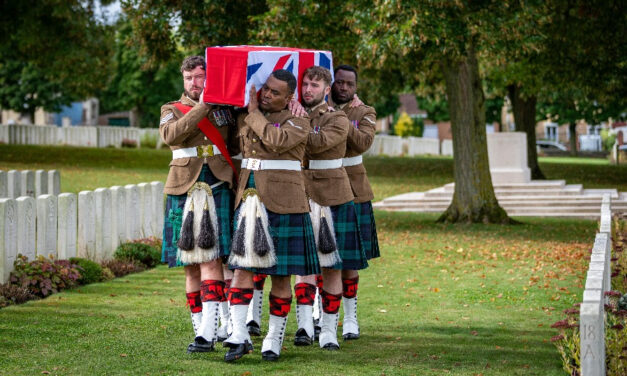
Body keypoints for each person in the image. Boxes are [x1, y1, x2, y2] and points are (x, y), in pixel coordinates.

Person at [224, 69, 319, 362]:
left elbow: (275, 140)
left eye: (274, 92)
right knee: (242, 269)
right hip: (250, 199)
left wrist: (253, 113)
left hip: (286, 203)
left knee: (281, 276)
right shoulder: (245, 116)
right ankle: (238, 335)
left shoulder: (300, 121)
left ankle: (274, 336)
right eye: (265, 88)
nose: (266, 94)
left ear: (290, 97)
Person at [159, 55, 238, 353]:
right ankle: (200, 328)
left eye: (200, 77)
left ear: (209, 78)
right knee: (189, 266)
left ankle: (209, 330)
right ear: (183, 79)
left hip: (218, 184)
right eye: (189, 78)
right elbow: (171, 135)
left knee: (212, 259)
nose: (195, 83)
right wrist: (204, 105)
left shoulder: (226, 111)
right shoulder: (170, 109)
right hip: (183, 188)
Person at [297, 66, 368, 350]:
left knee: (332, 266)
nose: (308, 89)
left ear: (327, 89)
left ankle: (328, 329)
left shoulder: (338, 118)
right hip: (300, 194)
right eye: (305, 84)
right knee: (302, 265)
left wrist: (296, 123)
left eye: (314, 85)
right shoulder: (292, 114)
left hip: (334, 195)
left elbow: (317, 145)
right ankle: (304, 326)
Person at [330, 64, 380, 340]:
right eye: (339, 82)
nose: (344, 87)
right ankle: (320, 313)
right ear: (331, 83)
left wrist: (338, 118)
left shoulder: (365, 112)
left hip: (353, 189)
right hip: (320, 187)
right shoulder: (316, 108)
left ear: (356, 87)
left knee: (349, 260)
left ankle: (350, 318)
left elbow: (362, 143)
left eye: (349, 84)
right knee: (320, 257)